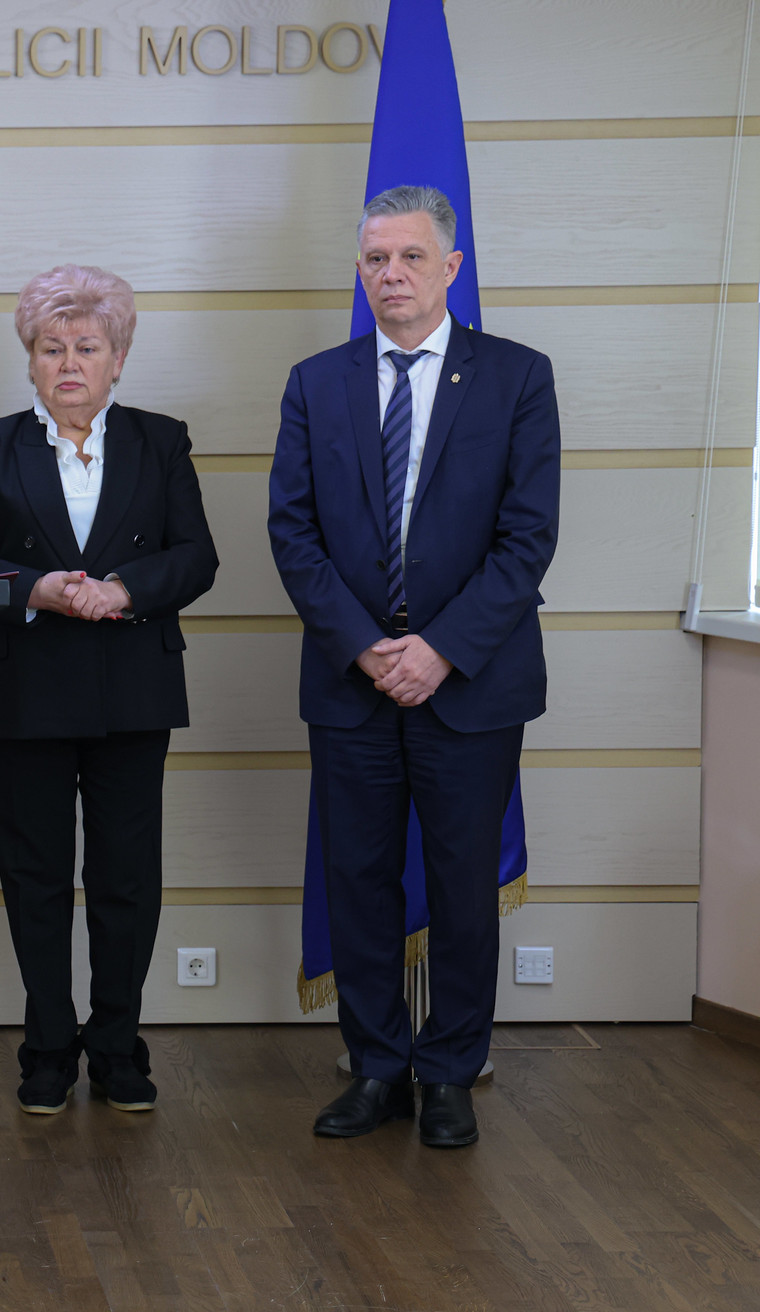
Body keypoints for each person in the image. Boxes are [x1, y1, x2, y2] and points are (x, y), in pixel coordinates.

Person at [268, 184, 560, 1148]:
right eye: (375, 259)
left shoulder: (517, 377)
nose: (391, 274)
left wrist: (439, 650)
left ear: (451, 268)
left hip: (470, 683)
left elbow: (527, 538)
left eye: (410, 257)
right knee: (357, 879)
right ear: (360, 271)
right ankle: (377, 1066)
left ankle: (449, 1073)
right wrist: (366, 647)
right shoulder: (317, 382)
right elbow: (293, 532)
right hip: (350, 681)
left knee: (464, 886)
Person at [0, 265, 219, 1117]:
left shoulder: (161, 441)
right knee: (34, 877)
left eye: (88, 348)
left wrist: (125, 589)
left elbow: (196, 556)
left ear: (119, 358)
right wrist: (37, 588)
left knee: (125, 878)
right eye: (51, 348)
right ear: (30, 360)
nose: (69, 363)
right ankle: (47, 1051)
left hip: (132, 688)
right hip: (24, 691)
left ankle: (118, 1048)